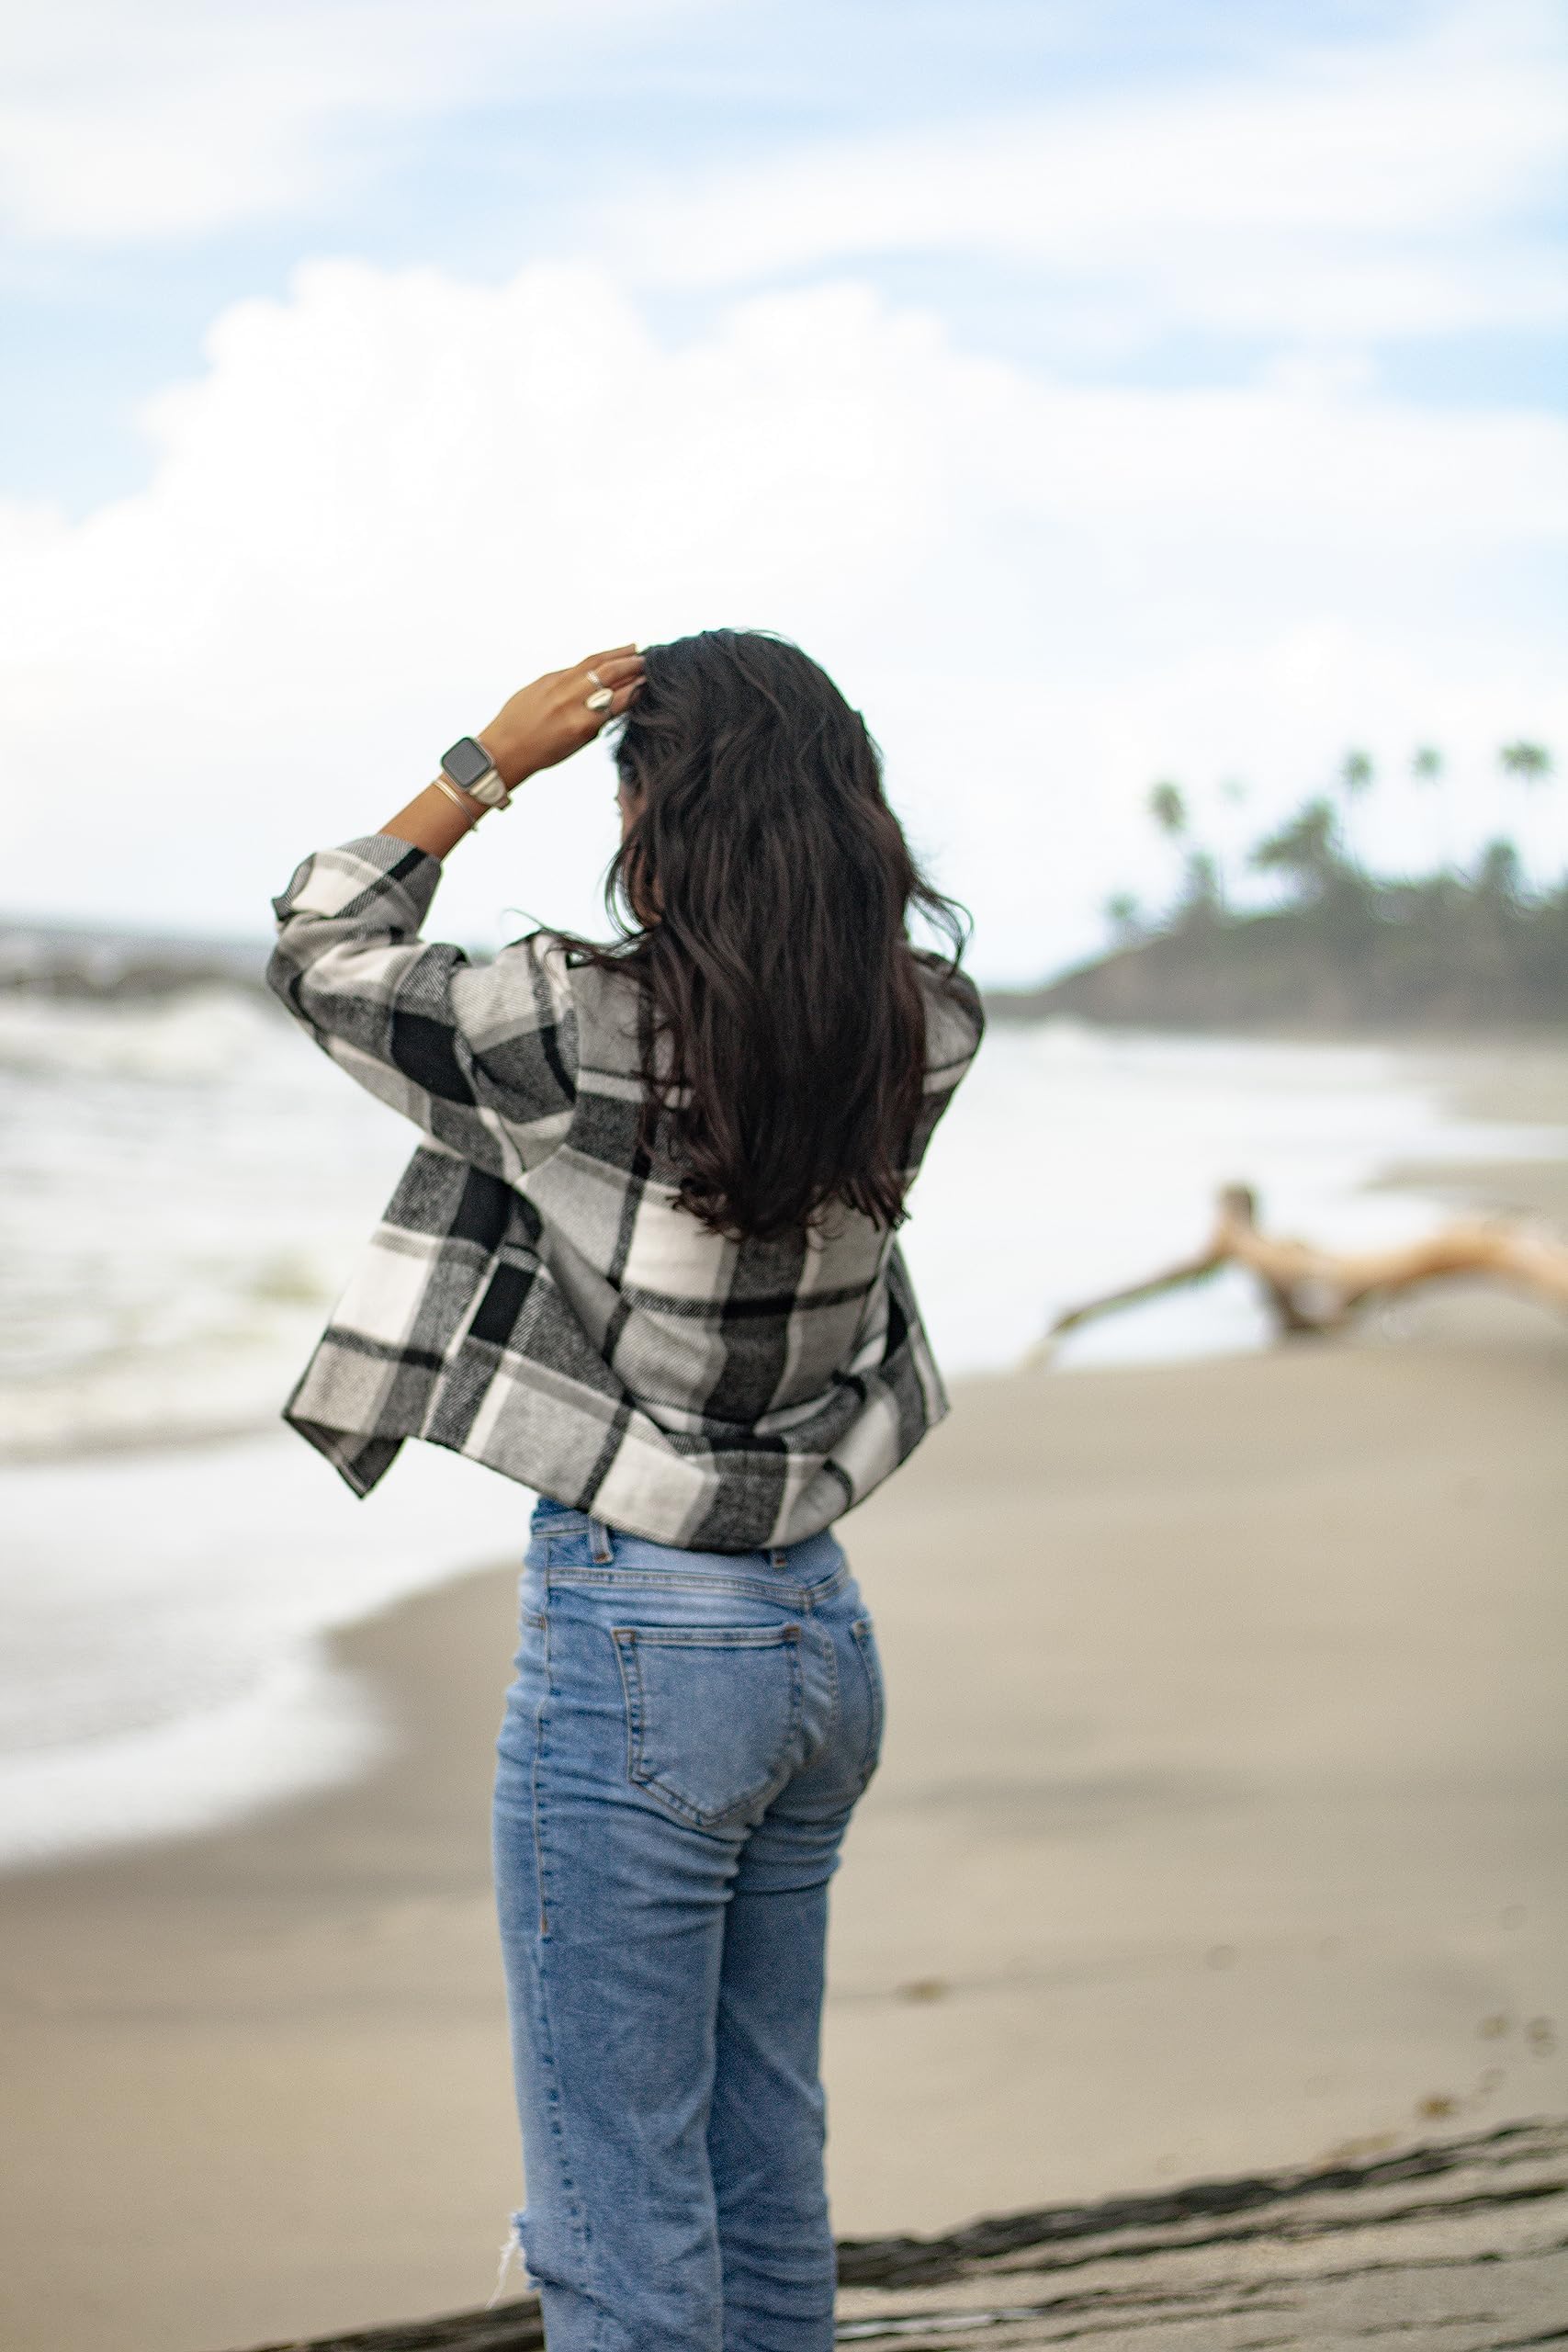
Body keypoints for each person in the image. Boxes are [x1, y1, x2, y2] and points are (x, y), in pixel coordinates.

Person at [265, 627, 985, 2350]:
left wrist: (481, 765)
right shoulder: (929, 1024)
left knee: (613, 2205)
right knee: (759, 2167)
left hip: (645, 1647)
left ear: (658, 808)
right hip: (817, 1632)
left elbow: (321, 949)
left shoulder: (561, 1020)